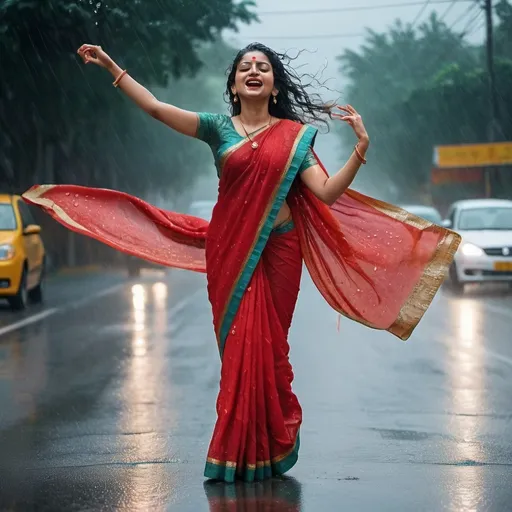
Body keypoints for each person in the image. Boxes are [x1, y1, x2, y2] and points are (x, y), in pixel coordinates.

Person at [23, 42, 461, 483]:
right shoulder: (218, 128)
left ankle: (269, 446)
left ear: (273, 86)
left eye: (263, 67)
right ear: (233, 84)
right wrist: (113, 67)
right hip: (232, 252)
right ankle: (235, 452)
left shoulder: (294, 136)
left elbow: (325, 193)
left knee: (270, 351)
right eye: (245, 67)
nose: (254, 71)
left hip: (282, 251)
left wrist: (360, 148)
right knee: (240, 349)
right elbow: (156, 108)